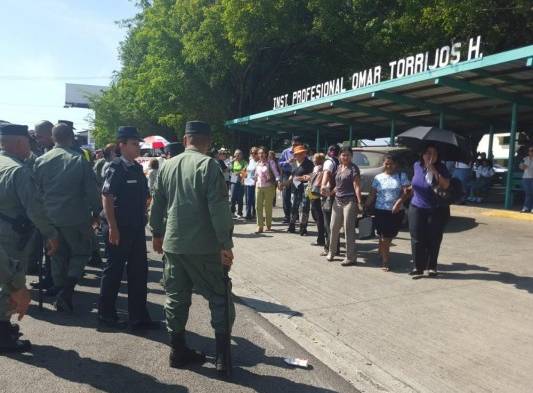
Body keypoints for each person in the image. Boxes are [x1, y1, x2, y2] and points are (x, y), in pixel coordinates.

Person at [149, 121, 235, 375]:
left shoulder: (168, 165)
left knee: (176, 298)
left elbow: (157, 203)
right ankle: (222, 358)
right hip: (205, 247)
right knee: (219, 297)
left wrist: (156, 231)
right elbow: (218, 208)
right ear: (207, 141)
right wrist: (225, 244)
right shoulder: (209, 165)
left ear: (186, 139)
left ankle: (177, 350)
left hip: (174, 245)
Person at [0, 123, 59, 353]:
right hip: (11, 237)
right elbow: (35, 209)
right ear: (18, 143)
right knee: (9, 283)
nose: (29, 147)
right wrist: (51, 234)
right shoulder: (18, 170)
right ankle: (3, 333)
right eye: (27, 143)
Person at [34, 123, 102, 312]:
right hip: (75, 217)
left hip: (49, 217)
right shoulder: (78, 160)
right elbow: (91, 191)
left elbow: (35, 192)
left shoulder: (41, 160)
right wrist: (97, 213)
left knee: (56, 254)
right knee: (80, 253)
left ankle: (60, 288)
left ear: (54, 138)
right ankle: (67, 291)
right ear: (71, 137)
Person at [98, 126, 159, 331]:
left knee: (139, 272)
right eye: (134, 144)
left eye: (138, 144)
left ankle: (138, 317)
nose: (138, 147)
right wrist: (113, 228)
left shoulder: (134, 167)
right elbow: (106, 197)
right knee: (113, 273)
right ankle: (106, 315)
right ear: (121, 145)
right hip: (119, 229)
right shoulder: (116, 167)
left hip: (135, 228)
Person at [408, 144, 451, 278]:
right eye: (427, 153)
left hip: (436, 208)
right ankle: (418, 267)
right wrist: (408, 190)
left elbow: (445, 185)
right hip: (416, 206)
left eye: (434, 153)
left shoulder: (442, 167)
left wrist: (433, 169)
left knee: (434, 238)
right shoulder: (416, 165)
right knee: (416, 237)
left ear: (438, 156)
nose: (430, 156)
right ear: (422, 154)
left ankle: (432, 267)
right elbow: (415, 183)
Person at [365, 154, 410, 271]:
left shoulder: (401, 176)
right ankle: (385, 260)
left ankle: (382, 249)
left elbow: (407, 192)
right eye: (386, 163)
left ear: (395, 165)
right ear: (383, 164)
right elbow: (372, 194)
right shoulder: (378, 178)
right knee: (385, 236)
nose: (388, 166)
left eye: (391, 163)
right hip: (380, 211)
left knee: (389, 235)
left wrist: (399, 202)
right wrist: (365, 205)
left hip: (396, 211)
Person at [326, 147, 362, 266]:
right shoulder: (338, 167)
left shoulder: (353, 168)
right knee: (333, 227)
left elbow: (356, 186)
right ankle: (332, 252)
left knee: (348, 229)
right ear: (339, 156)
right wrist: (329, 193)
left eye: (347, 155)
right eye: (343, 155)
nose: (345, 157)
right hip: (337, 200)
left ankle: (350, 257)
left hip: (350, 201)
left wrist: (359, 201)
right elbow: (338, 185)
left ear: (351, 156)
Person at [288, 145, 314, 235]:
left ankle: (303, 228)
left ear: (304, 154)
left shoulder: (309, 163)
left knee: (305, 207)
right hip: (295, 188)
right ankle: (292, 225)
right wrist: (288, 181)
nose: (297, 156)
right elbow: (292, 174)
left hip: (306, 188)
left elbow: (312, 176)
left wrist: (301, 178)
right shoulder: (294, 163)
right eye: (296, 154)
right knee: (294, 206)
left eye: (299, 154)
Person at [320, 145, 341, 256]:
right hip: (338, 195)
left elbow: (327, 173)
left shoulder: (329, 162)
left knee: (328, 223)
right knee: (335, 223)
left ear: (329, 152)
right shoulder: (339, 163)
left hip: (329, 194)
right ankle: (335, 247)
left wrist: (322, 186)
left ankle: (330, 248)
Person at [254, 147, 280, 233]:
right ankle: (260, 226)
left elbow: (276, 173)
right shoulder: (257, 163)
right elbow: (256, 175)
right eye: (259, 153)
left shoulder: (270, 162)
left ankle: (268, 225)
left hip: (269, 187)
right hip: (258, 186)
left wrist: (278, 182)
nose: (261, 155)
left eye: (262, 153)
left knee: (268, 207)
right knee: (258, 206)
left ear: (266, 154)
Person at [279, 136, 303, 223]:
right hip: (287, 173)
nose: (294, 146)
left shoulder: (302, 152)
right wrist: (287, 162)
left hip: (298, 174)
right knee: (286, 195)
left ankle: (295, 215)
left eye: (297, 144)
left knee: (297, 195)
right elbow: (279, 163)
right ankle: (287, 216)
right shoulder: (285, 152)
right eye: (293, 144)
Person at [308, 153, 326, 247]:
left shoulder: (318, 168)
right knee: (317, 216)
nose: (313, 160)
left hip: (315, 194)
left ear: (319, 159)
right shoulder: (319, 168)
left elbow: (314, 181)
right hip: (314, 194)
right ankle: (322, 237)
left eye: (315, 158)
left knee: (318, 216)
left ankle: (321, 239)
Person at [229, 149, 246, 218]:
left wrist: (239, 173)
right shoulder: (233, 162)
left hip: (241, 181)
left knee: (240, 198)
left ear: (241, 155)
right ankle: (232, 211)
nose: (237, 155)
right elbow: (229, 169)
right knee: (233, 197)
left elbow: (245, 170)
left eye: (239, 154)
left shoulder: (244, 162)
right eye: (236, 154)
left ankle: (240, 212)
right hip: (233, 181)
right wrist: (231, 161)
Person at [244, 147, 258, 220]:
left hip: (255, 182)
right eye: (251, 153)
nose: (253, 154)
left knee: (253, 199)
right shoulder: (251, 160)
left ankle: (252, 213)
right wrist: (244, 177)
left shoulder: (259, 162)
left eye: (255, 153)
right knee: (248, 199)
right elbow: (247, 170)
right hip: (248, 181)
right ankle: (249, 213)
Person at [519, 145, 533, 213]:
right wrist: (522, 166)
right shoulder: (525, 158)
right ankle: (526, 207)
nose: (531, 152)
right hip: (526, 178)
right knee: (528, 193)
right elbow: (521, 167)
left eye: (532, 150)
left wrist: (525, 166)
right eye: (530, 151)